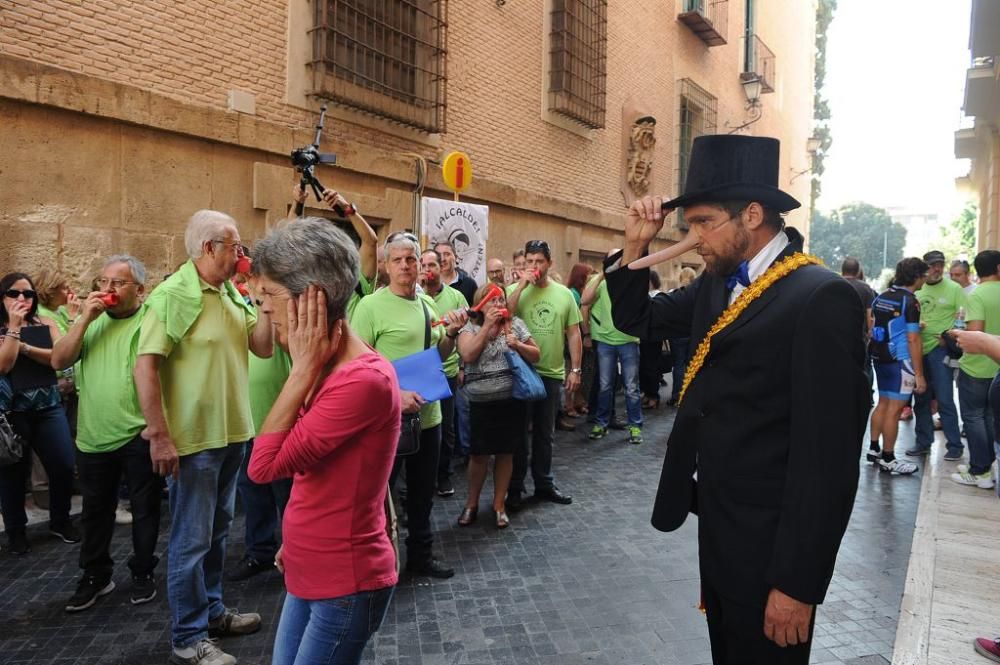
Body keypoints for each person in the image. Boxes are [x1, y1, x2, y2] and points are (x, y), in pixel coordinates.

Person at [606, 135, 869, 664]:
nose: (693, 238)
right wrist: (634, 247)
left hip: (775, 548)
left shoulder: (818, 296)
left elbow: (828, 461)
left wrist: (797, 585)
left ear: (752, 215)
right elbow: (639, 319)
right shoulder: (717, 283)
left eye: (703, 223)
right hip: (722, 530)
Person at [247, 218, 398, 665]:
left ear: (309, 297)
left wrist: (300, 369)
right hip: (311, 565)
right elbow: (324, 475)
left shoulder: (361, 380)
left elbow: (264, 466)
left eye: (269, 297)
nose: (265, 311)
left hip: (346, 582)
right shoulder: (331, 368)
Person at [134, 210, 274, 665]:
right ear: (208, 248)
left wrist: (265, 301)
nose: (241, 253)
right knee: (190, 543)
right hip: (193, 442)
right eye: (235, 245)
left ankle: (212, 613)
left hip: (232, 434)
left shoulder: (230, 292)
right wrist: (158, 434)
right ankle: (188, 637)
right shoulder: (173, 295)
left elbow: (263, 346)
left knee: (215, 535)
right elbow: (146, 366)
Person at [352, 231, 468, 579]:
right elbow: (357, 368)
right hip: (386, 420)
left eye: (411, 259)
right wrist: (394, 397)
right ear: (386, 265)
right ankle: (380, 564)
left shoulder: (426, 305)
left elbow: (439, 356)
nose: (406, 265)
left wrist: (450, 335)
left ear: (421, 265)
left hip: (428, 417)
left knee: (421, 495)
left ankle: (421, 556)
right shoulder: (370, 307)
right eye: (398, 259)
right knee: (378, 498)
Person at [51, 255, 162, 610]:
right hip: (92, 434)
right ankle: (96, 575)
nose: (107, 290)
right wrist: (83, 318)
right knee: (95, 512)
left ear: (140, 290)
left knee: (145, 509)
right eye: (102, 282)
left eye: (117, 283)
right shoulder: (91, 321)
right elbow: (59, 360)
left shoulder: (150, 320)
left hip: (137, 433)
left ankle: (143, 570)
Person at [0, 272, 79, 554]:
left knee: (63, 464)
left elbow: (60, 356)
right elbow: (4, 365)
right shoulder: (4, 326)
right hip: (13, 413)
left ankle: (60, 519)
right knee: (13, 475)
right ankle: (16, 532)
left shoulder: (45, 323)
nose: (22, 299)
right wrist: (13, 327)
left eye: (28, 294)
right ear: (3, 297)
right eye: (14, 293)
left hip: (48, 406)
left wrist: (25, 347)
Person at [456, 284, 540, 528]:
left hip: (511, 400)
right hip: (481, 402)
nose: (497, 304)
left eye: (501, 299)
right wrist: (486, 327)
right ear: (480, 304)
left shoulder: (516, 325)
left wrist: (518, 345)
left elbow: (537, 355)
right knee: (479, 455)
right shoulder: (470, 327)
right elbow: (468, 355)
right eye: (491, 300)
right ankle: (471, 504)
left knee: (505, 453)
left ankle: (498, 504)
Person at [505, 239, 581, 510]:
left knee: (545, 433)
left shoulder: (563, 294)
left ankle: (544, 484)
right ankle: (514, 487)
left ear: (550, 263)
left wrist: (575, 369)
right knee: (518, 435)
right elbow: (506, 313)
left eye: (539, 262)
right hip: (520, 372)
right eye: (529, 262)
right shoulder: (515, 290)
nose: (534, 267)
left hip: (550, 373)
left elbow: (573, 333)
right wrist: (523, 285)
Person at [226, 343, 293, 582]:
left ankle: (297, 555)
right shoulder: (238, 308)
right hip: (246, 423)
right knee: (252, 490)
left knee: (287, 494)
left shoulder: (279, 308)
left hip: (281, 423)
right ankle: (260, 552)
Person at [867, 258, 927, 475]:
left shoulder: (882, 296)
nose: (926, 279)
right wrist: (919, 375)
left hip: (880, 356)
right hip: (901, 361)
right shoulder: (911, 302)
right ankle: (889, 458)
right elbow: (913, 339)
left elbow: (876, 324)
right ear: (917, 276)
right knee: (894, 409)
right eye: (924, 275)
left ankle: (874, 449)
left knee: (883, 403)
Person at [419, 249, 468, 498]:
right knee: (419, 429)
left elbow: (466, 332)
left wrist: (460, 367)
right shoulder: (414, 297)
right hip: (421, 374)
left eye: (432, 265)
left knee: (446, 428)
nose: (428, 269)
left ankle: (444, 476)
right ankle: (419, 480)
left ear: (441, 268)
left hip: (447, 371)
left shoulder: (457, 297)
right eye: (423, 264)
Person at [581, 251, 643, 445]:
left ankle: (635, 426)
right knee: (605, 386)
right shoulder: (601, 282)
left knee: (631, 387)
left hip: (629, 340)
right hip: (606, 341)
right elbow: (584, 300)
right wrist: (602, 274)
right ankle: (601, 423)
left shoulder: (633, 278)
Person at [909, 250, 966, 460]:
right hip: (917, 349)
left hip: (940, 350)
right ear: (925, 267)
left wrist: (949, 336)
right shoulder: (918, 288)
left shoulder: (954, 289)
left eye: (940, 264)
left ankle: (954, 446)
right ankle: (923, 442)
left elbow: (964, 316)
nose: (937, 269)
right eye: (933, 265)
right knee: (921, 399)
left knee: (944, 398)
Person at [291, 185, 379, 321]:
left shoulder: (356, 282)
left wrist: (347, 209)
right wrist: (298, 203)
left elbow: (370, 241)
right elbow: (288, 241)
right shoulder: (307, 279)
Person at [951, 250, 1000, 489]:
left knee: (973, 417)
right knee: (991, 418)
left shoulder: (977, 294)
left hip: (977, 367)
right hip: (997, 366)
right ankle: (990, 466)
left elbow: (976, 332)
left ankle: (979, 470)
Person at [665, 267, 697, 406]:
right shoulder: (697, 294)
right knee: (691, 364)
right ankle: (688, 395)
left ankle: (676, 395)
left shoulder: (673, 293)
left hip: (676, 334)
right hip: (692, 332)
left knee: (678, 364)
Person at [639, 270, 667, 409]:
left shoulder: (658, 296)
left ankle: (653, 396)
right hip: (644, 337)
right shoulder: (645, 296)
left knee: (652, 367)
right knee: (644, 366)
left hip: (653, 337)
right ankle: (648, 394)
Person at [434, 240, 478, 305]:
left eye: (447, 254)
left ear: (456, 257)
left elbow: (476, 312)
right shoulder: (430, 284)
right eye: (438, 255)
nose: (442, 259)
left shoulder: (469, 284)